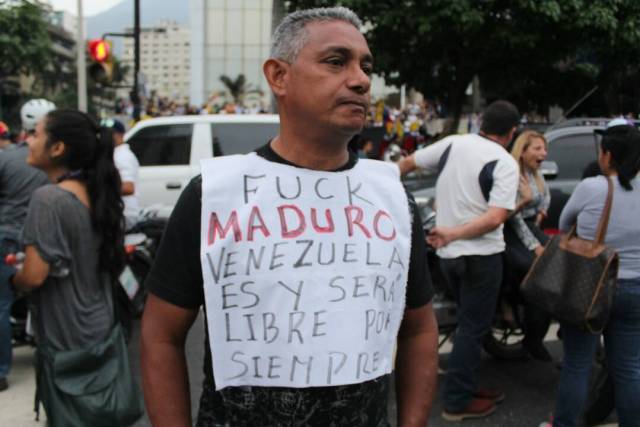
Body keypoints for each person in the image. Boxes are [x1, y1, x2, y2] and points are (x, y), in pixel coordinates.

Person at [141, 7, 439, 426]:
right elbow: (160, 336)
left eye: (365, 66)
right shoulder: (214, 196)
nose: (361, 79)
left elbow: (419, 329)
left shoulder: (391, 199)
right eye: (336, 62)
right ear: (279, 76)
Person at [397, 100, 520, 421]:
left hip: (449, 257)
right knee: (472, 328)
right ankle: (456, 402)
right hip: (479, 256)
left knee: (466, 324)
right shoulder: (504, 162)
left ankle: (464, 384)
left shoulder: (455, 143)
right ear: (512, 132)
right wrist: (453, 233)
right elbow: (495, 218)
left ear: (481, 122)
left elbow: (406, 164)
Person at [8, 109, 128, 422]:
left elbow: (34, 276)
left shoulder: (48, 199)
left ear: (58, 148)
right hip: (100, 329)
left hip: (66, 337)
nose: (27, 140)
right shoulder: (98, 192)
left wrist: (14, 280)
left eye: (35, 134)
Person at [543, 123, 640, 427]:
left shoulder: (593, 187)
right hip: (634, 288)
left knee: (577, 364)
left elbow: (565, 221)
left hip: (590, 286)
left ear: (608, 155)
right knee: (628, 368)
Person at [0, 99, 54, 392]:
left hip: (9, 239)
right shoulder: (61, 161)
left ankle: (0, 371)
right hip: (46, 241)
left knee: (1, 304)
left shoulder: (7, 159)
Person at [504, 130, 552, 361]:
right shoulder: (513, 176)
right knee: (537, 272)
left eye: (544, 148)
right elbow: (514, 219)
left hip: (531, 228)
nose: (543, 153)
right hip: (514, 232)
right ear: (522, 152)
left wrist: (541, 213)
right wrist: (534, 245)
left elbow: (545, 195)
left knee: (561, 262)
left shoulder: (535, 174)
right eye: (537, 148)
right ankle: (531, 334)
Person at [103, 118, 140, 230]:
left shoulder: (122, 156)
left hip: (124, 214)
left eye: (109, 134)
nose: (104, 137)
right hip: (118, 212)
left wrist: (99, 189)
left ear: (120, 135)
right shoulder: (115, 154)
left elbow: (128, 187)